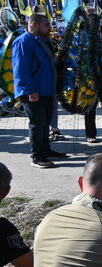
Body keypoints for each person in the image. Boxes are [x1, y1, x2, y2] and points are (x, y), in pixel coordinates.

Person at [12, 13, 67, 168]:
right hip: (33, 91)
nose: (50, 27)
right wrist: (30, 90)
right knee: (37, 123)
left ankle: (45, 150)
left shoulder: (43, 40)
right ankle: (37, 156)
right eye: (46, 25)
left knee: (45, 122)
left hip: (46, 89)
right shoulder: (23, 42)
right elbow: (21, 69)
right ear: (34, 25)